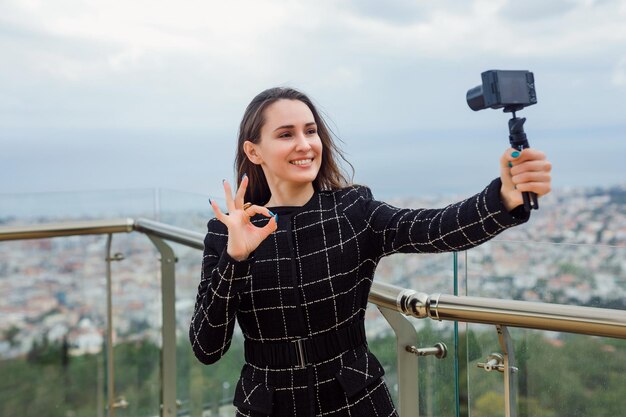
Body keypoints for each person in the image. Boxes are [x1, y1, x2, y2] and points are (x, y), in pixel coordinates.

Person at [189, 87, 552, 416]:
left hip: (355, 398)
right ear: (253, 150)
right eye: (286, 134)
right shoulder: (228, 232)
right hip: (267, 405)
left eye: (310, 130)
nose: (304, 144)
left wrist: (503, 198)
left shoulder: (353, 210)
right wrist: (235, 260)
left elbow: (435, 228)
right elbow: (207, 347)